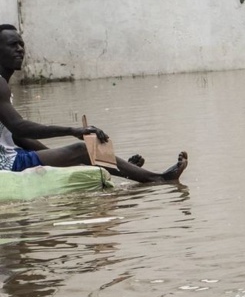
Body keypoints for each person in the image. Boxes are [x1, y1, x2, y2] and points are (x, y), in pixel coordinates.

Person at [0, 25, 188, 183]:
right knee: (82, 149)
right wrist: (72, 131)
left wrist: (59, 156)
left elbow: (17, 137)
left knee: (77, 154)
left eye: (22, 44)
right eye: (12, 45)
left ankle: (118, 169)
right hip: (6, 164)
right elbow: (19, 128)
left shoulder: (4, 85)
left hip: (11, 156)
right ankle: (160, 179)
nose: (20, 49)